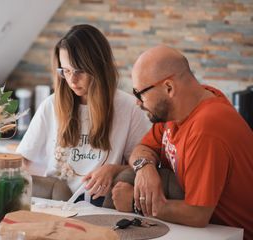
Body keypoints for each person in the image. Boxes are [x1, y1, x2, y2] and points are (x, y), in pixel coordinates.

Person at [112, 45, 253, 239]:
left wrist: (135, 204)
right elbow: (143, 148)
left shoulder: (207, 129)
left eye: (139, 93)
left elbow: (197, 214)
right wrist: (144, 168)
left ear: (169, 88)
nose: (138, 102)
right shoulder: (180, 108)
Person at [16, 24, 150, 206]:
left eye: (79, 71)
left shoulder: (128, 108)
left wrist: (113, 169)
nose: (72, 80)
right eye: (66, 71)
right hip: (54, 205)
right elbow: (22, 160)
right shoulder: (51, 105)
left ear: (98, 67)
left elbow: (145, 165)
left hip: (102, 207)